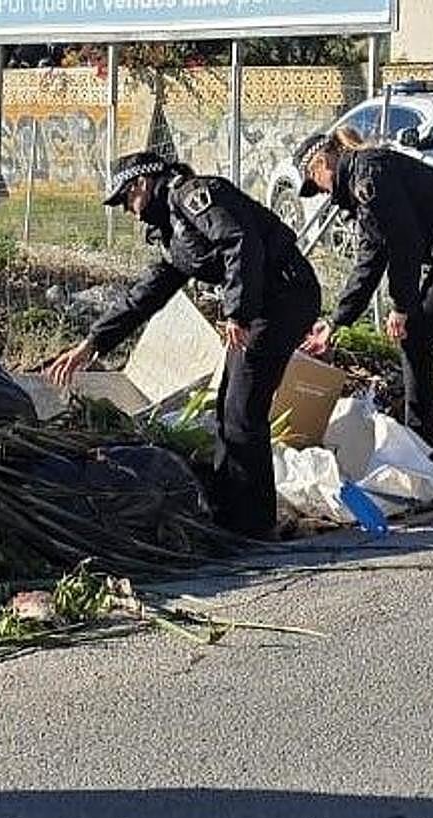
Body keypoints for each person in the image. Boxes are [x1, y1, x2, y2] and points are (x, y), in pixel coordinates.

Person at [48, 151, 320, 539]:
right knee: (232, 407)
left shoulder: (194, 196)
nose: (128, 211)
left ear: (142, 184)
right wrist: (93, 343)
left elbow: (239, 241)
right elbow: (146, 295)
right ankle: (237, 517)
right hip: (263, 305)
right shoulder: (173, 231)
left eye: (126, 199)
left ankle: (253, 528)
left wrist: (236, 313)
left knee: (242, 411)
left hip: (283, 296)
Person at [295, 128, 433, 500]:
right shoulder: (361, 186)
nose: (325, 195)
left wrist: (402, 306)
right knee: (417, 337)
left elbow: (404, 242)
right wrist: (334, 323)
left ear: (322, 164)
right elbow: (369, 260)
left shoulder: (369, 176)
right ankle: (421, 452)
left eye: (318, 184)